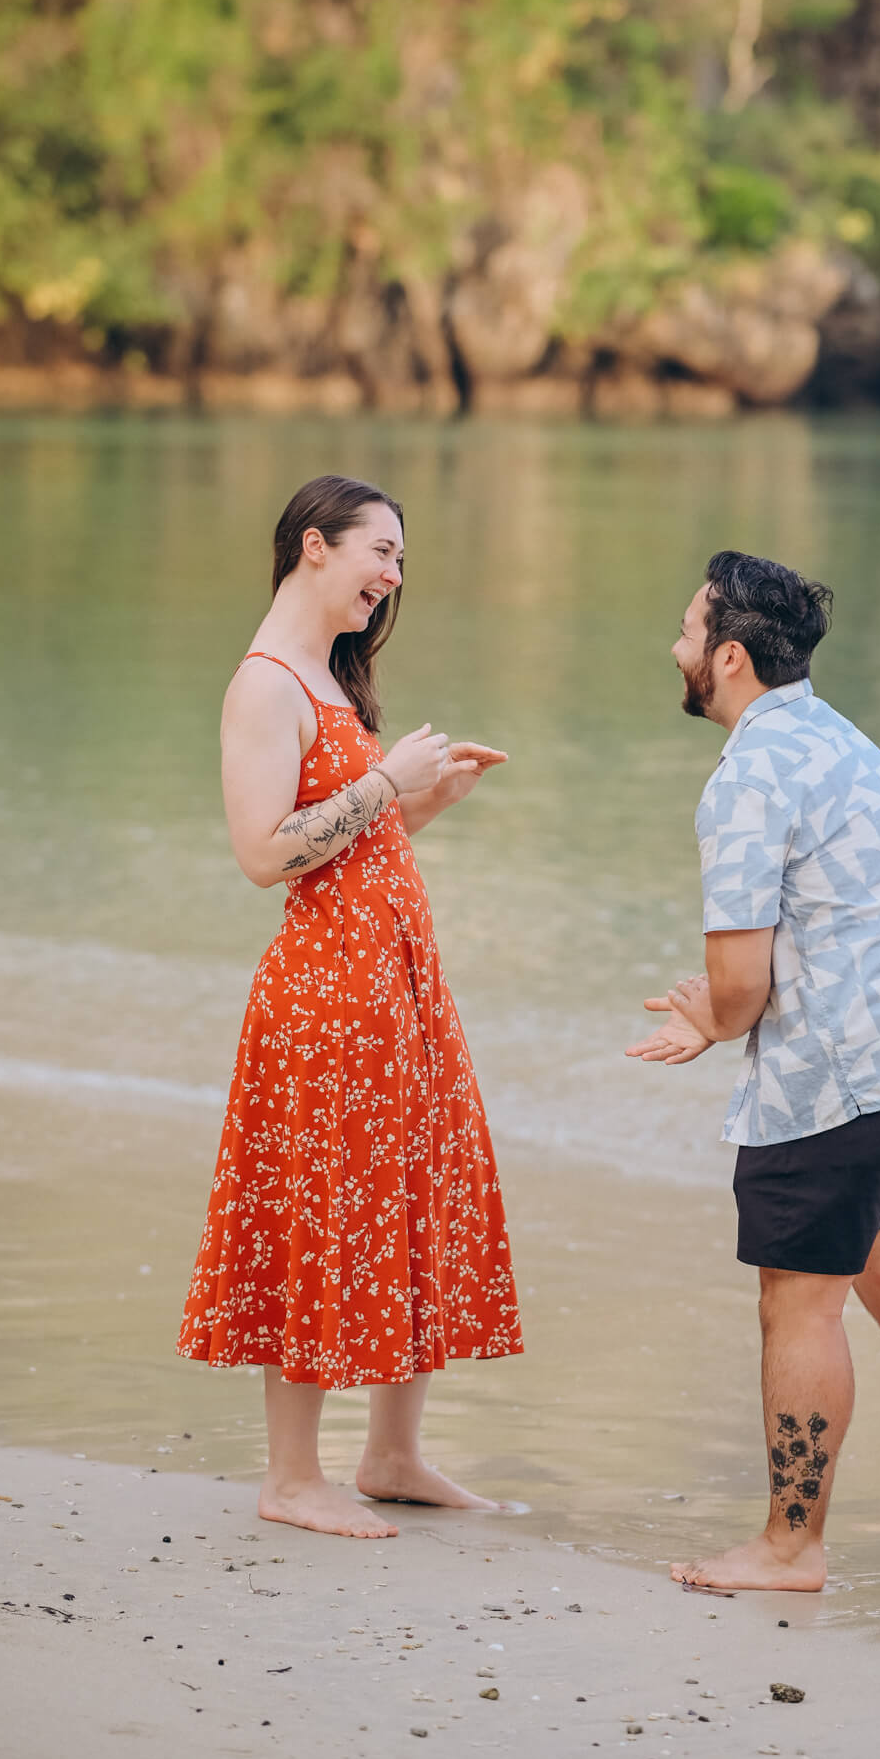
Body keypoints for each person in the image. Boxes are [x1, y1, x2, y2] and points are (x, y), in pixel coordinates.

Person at [627, 551, 880, 1593]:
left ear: (726, 657)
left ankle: (790, 1543)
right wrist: (723, 1006)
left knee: (799, 1306)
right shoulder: (843, 739)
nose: (674, 648)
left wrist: (707, 1021)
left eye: (685, 631)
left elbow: (742, 981)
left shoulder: (747, 777)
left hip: (838, 1086)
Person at [178, 474, 522, 1539]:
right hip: (323, 995)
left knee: (412, 1195)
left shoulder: (331, 677)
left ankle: (394, 1450)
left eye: (403, 560)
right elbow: (262, 854)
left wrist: (422, 799)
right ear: (313, 546)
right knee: (323, 1212)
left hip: (395, 986)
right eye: (380, 550)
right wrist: (385, 784)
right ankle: (291, 1475)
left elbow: (351, 848)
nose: (393, 575)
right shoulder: (265, 684)